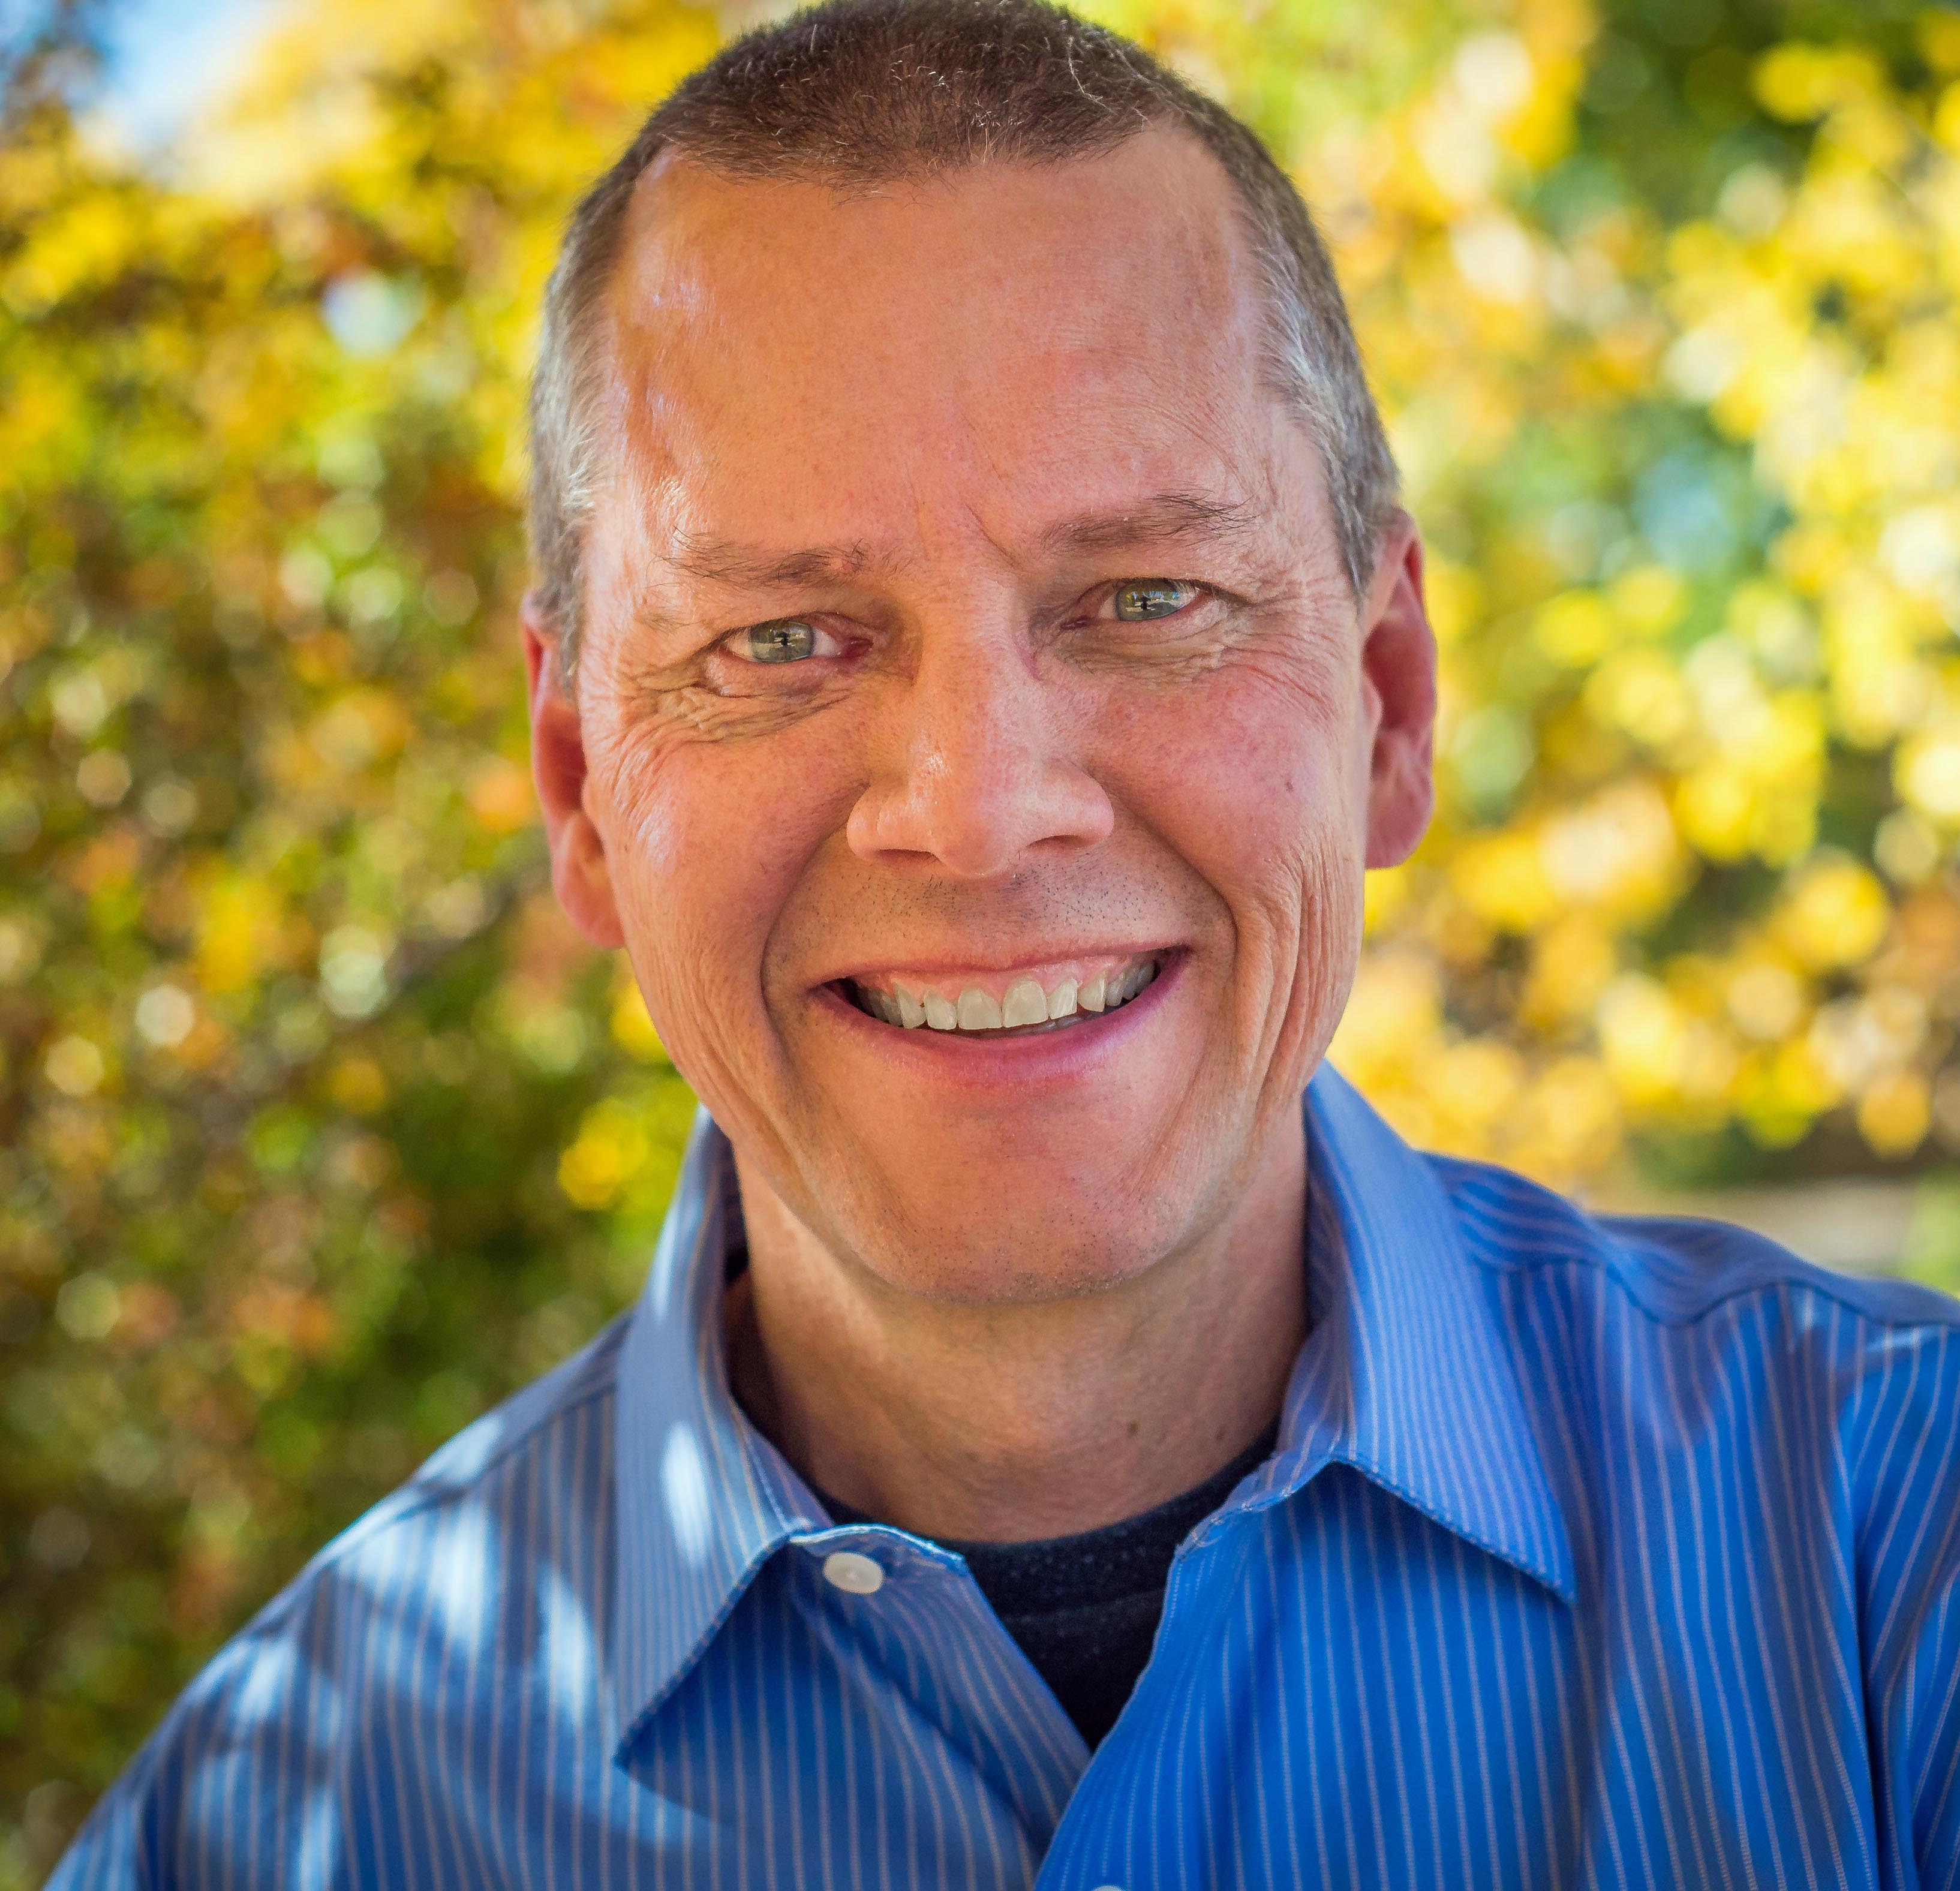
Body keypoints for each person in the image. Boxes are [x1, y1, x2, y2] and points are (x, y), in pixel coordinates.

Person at [53, 1, 1960, 1884]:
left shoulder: (1898, 1537)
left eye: (1145, 597)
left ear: (1385, 705)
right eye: (778, 641)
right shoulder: (275, 1820)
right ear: (580, 791)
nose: (975, 808)